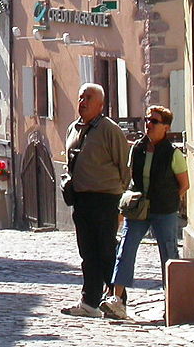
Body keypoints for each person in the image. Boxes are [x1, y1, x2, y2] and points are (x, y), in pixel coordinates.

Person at [101, 105, 189, 319]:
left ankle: (173, 301)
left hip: (164, 210)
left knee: (169, 254)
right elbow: (132, 177)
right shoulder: (138, 148)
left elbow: (184, 185)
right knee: (126, 248)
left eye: (154, 122)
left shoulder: (173, 154)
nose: (148, 124)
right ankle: (117, 298)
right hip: (139, 208)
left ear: (166, 127)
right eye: (147, 120)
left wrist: (167, 198)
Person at [61, 83, 131, 318]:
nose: (83, 101)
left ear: (100, 105)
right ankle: (89, 301)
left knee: (107, 251)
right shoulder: (73, 129)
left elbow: (124, 167)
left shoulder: (109, 130)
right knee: (88, 253)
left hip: (106, 199)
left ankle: (116, 301)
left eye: (89, 98)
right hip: (82, 200)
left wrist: (122, 202)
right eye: (81, 97)